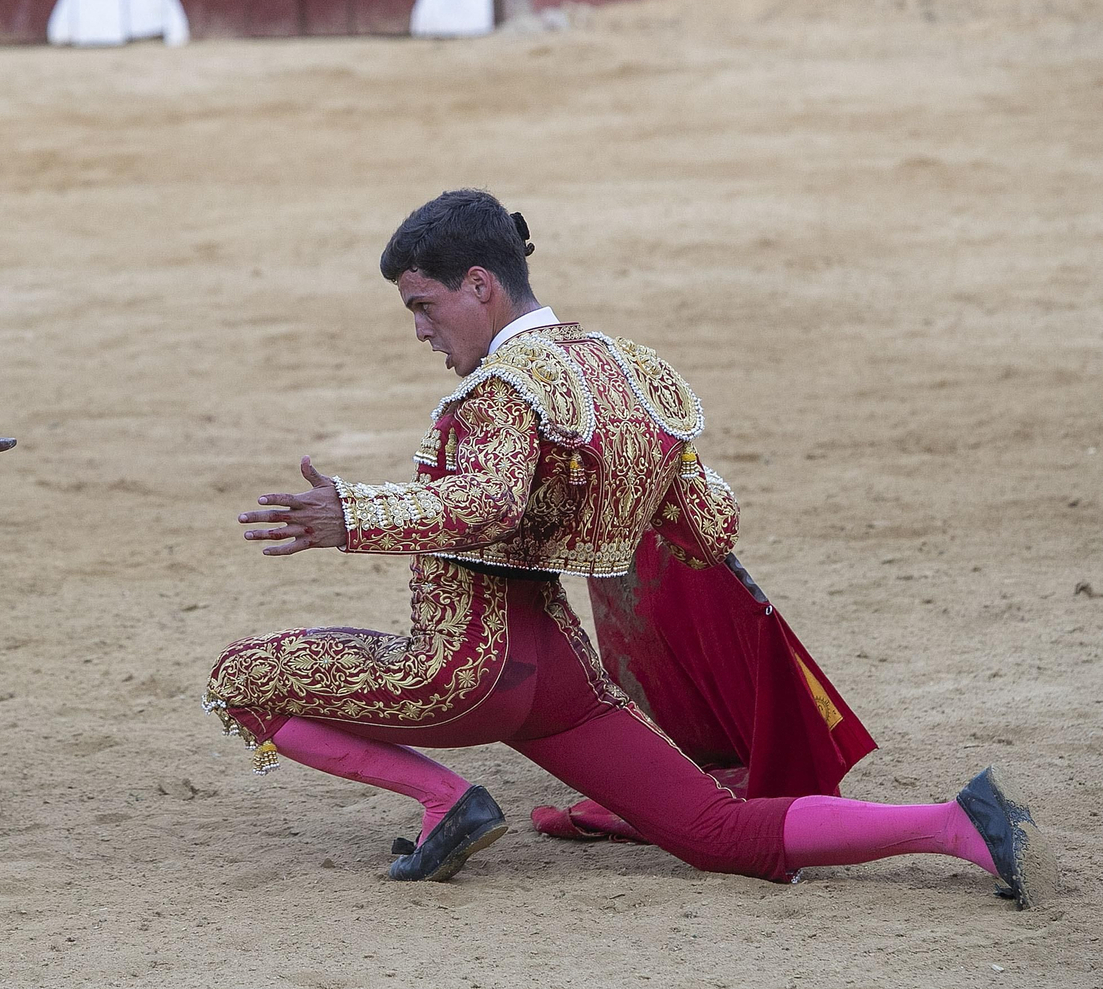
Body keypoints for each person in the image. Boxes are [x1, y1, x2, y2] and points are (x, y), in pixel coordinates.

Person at [204, 189, 1056, 906]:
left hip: (462, 668)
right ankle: (954, 823)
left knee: (237, 683)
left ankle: (444, 799)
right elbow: (708, 525)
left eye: (423, 306)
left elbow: (488, 505)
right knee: (715, 835)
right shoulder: (628, 371)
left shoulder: (502, 389)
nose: (420, 330)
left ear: (478, 285)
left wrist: (349, 515)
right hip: (560, 683)